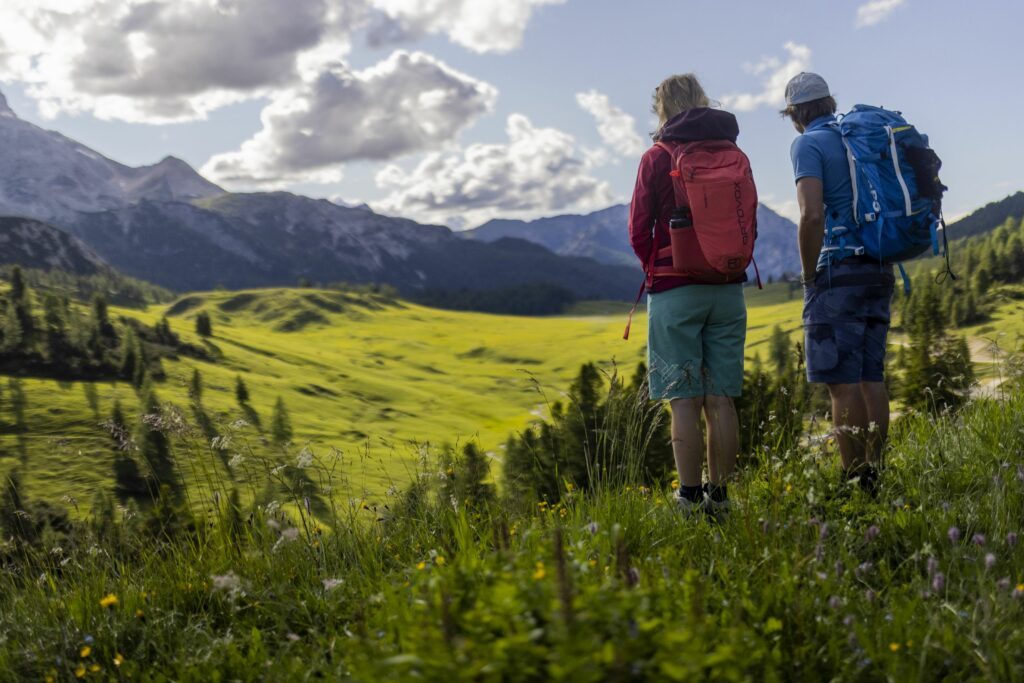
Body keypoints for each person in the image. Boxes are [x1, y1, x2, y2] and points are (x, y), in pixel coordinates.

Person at [628, 73, 748, 514]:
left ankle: (690, 497)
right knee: (721, 397)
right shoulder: (732, 153)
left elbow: (638, 230)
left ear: (662, 108)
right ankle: (721, 497)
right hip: (727, 288)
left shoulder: (656, 157)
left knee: (683, 398)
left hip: (675, 289)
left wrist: (660, 267)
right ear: (702, 101)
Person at [782, 72, 894, 495]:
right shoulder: (854, 136)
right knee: (872, 377)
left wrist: (809, 277)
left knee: (841, 385)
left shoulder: (807, 144)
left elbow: (812, 216)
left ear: (795, 112)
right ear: (828, 102)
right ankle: (875, 473)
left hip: (839, 272)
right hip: (879, 267)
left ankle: (852, 482)